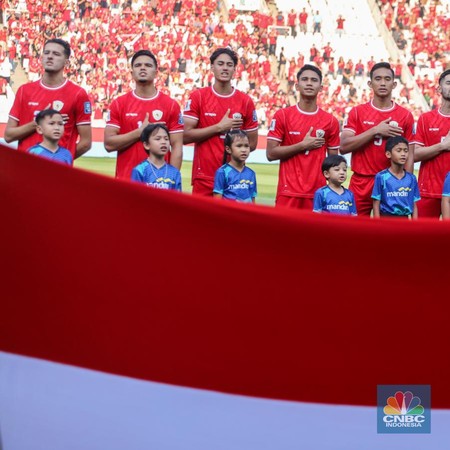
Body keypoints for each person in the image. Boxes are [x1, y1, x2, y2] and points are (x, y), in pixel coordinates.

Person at [340, 62, 415, 216]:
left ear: (394, 84)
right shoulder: (357, 112)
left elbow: (410, 155)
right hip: (362, 181)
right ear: (370, 83)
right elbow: (344, 146)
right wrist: (375, 131)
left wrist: (406, 184)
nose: (382, 83)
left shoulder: (405, 116)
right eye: (378, 79)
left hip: (392, 183)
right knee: (355, 232)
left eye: (387, 79)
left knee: (390, 233)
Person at [183, 47, 258, 196]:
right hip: (204, 177)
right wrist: (219, 127)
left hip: (236, 179)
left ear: (234, 70)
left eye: (229, 65)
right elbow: (185, 136)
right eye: (220, 63)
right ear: (212, 67)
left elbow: (253, 144)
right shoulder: (198, 97)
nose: (225, 68)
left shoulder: (245, 101)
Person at [266, 64, 340, 210]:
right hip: (287, 192)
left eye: (314, 80)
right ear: (297, 85)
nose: (309, 83)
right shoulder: (283, 116)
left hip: (317, 194)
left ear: (321, 87)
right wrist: (302, 145)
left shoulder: (331, 121)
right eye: (305, 79)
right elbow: (270, 154)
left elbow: (333, 164)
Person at [4, 38, 91, 161]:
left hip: (56, 173)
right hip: (25, 170)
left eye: (56, 54)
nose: (50, 57)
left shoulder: (78, 94)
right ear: (41, 58)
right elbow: (8, 135)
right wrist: (37, 123)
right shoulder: (24, 91)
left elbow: (86, 142)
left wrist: (59, 160)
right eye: (46, 53)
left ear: (66, 63)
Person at [105, 49, 184, 180]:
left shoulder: (170, 105)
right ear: (131, 73)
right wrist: (140, 132)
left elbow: (177, 146)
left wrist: (171, 179)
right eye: (138, 65)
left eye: (148, 65)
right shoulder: (119, 104)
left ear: (156, 72)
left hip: (160, 184)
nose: (142, 68)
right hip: (126, 181)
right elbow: (109, 144)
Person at [412, 69, 450, 218]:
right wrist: (442, 146)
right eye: (449, 83)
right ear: (439, 88)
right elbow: (414, 154)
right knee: (422, 239)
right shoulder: (426, 119)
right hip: (428, 191)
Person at [372, 136, 420, 219]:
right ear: (388, 154)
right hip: (386, 220)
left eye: (406, 151)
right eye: (399, 150)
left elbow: (414, 205)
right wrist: (377, 225)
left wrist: (414, 226)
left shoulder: (412, 178)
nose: (403, 154)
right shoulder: (381, 177)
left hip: (404, 221)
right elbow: (376, 203)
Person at [131, 123, 182, 191]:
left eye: (166, 139)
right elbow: (135, 197)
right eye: (158, 139)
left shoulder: (174, 172)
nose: (163, 142)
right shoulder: (140, 170)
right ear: (146, 145)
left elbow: (177, 198)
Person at [213, 129, 257, 203]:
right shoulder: (222, 172)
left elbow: (252, 200)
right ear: (228, 149)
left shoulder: (251, 173)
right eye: (239, 146)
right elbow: (217, 201)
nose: (244, 150)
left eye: (246, 146)